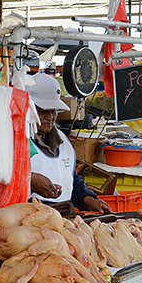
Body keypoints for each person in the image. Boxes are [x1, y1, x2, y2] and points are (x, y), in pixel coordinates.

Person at [26, 73, 113, 215]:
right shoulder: (17, 139)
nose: (50, 117)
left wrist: (88, 199)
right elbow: (2, 181)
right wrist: (30, 180)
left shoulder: (62, 140)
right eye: (43, 112)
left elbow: (71, 178)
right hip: (30, 216)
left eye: (53, 111)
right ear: (29, 109)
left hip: (65, 214)